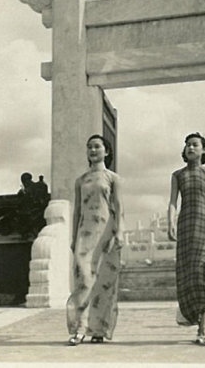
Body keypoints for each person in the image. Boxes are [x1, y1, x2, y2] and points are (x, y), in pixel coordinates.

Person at [167, 132, 205, 346]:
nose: (190, 148)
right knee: (186, 272)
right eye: (187, 145)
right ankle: (197, 316)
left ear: (203, 150)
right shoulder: (177, 175)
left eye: (195, 145)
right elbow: (173, 202)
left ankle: (204, 326)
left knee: (200, 273)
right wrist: (171, 222)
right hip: (185, 225)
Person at [66, 134, 124, 346]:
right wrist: (73, 238)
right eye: (89, 147)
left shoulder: (113, 178)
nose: (93, 150)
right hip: (85, 234)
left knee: (104, 283)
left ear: (106, 152)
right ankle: (80, 329)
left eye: (97, 147)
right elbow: (77, 211)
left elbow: (119, 208)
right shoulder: (80, 180)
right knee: (83, 281)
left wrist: (119, 234)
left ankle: (99, 330)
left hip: (106, 234)